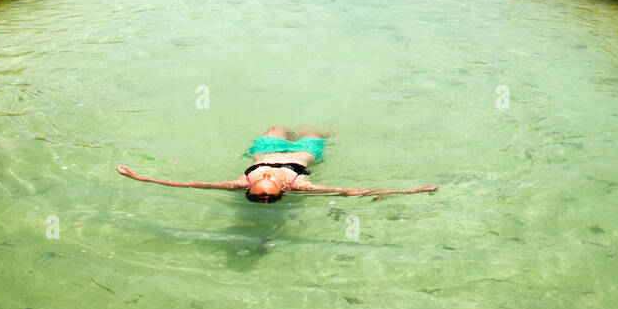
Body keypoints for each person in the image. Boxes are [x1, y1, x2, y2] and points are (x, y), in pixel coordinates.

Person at [117, 126, 438, 203]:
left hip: (265, 147)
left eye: (263, 178)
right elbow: (350, 191)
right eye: (270, 179)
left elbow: (186, 184)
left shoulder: (239, 182)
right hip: (305, 153)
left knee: (276, 127)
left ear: (251, 184)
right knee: (315, 130)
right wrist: (411, 190)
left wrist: (139, 177)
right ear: (284, 186)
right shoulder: (300, 184)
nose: (267, 173)